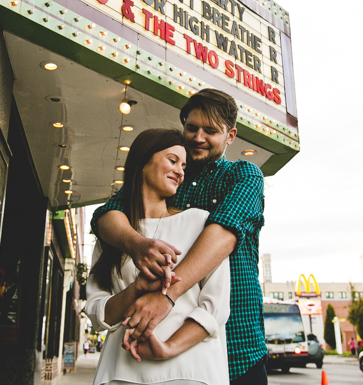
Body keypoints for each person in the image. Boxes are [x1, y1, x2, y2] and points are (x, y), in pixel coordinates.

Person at [92, 89, 266, 385]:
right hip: (155, 351)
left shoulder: (243, 175)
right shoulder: (168, 181)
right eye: (192, 127)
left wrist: (166, 296)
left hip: (239, 341)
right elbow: (105, 216)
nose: (198, 137)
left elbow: (223, 233)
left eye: (210, 131)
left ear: (231, 135)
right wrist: (137, 244)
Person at [85, 128, 231, 385]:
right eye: (172, 160)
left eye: (183, 165)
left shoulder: (200, 222)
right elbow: (98, 314)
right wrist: (135, 289)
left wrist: (168, 348)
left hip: (191, 371)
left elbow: (216, 307)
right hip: (122, 371)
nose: (180, 171)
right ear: (143, 161)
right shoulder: (113, 233)